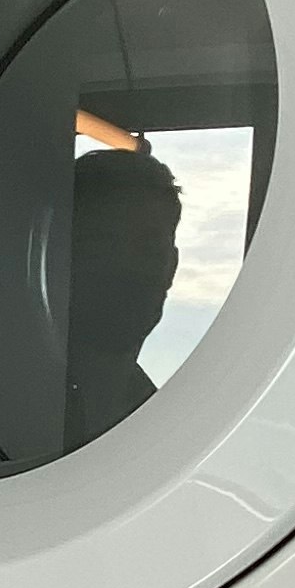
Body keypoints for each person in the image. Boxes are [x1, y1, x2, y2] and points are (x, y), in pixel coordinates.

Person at [63, 142, 180, 449]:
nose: (127, 267)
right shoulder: (7, 400)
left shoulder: (162, 431)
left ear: (172, 266)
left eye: (148, 249)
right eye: (101, 245)